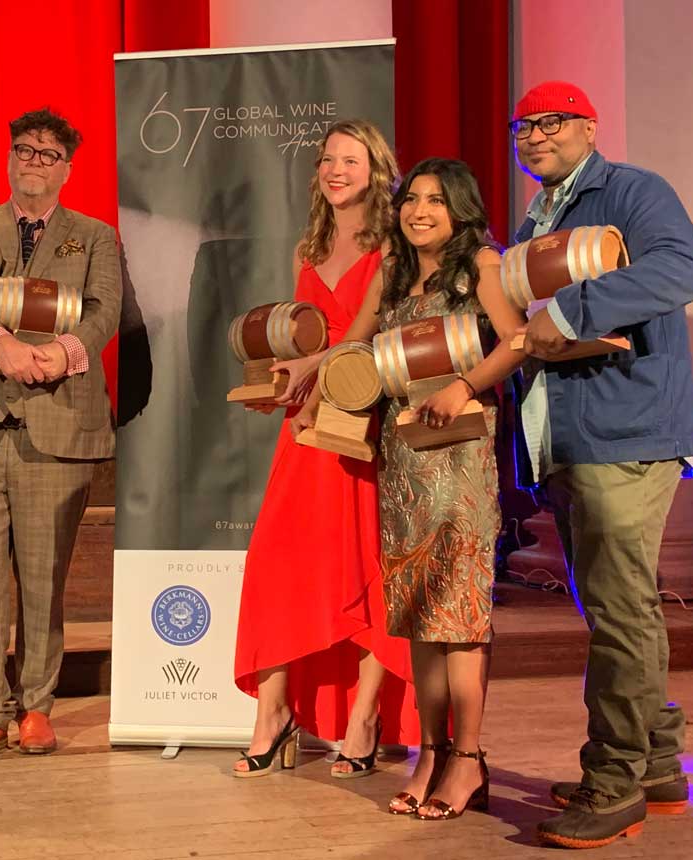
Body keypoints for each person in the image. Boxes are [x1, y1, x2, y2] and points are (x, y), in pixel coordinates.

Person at [507, 81, 693, 850]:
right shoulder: (541, 214)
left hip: (630, 432)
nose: (534, 136)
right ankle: (657, 765)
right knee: (615, 607)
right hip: (574, 436)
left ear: (590, 127)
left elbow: (684, 270)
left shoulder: (632, 190)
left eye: (552, 123)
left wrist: (571, 311)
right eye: (524, 126)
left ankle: (614, 782)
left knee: (621, 614)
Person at [297, 157, 525, 818]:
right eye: (410, 200)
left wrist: (465, 384)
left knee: (460, 621)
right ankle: (429, 750)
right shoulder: (394, 272)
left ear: (459, 209)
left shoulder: (481, 263)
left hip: (460, 460)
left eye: (434, 201)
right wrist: (311, 385)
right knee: (421, 616)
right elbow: (351, 345)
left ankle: (468, 758)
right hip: (403, 461)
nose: (418, 211)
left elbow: (518, 341)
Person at [231, 120, 417, 780]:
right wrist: (276, 378)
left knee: (365, 567)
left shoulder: (392, 245)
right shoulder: (306, 246)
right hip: (303, 425)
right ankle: (274, 713)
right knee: (279, 562)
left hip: (362, 420)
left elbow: (361, 333)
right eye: (328, 160)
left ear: (376, 170)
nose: (337, 170)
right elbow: (300, 337)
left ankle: (364, 717)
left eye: (351, 160)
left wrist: (308, 367)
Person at [0, 108, 119, 763]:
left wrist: (61, 352)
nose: (33, 161)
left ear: (67, 167)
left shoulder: (94, 236)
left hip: (58, 425)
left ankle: (36, 708)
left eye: (47, 154)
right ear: (10, 158)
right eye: (24, 150)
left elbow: (105, 309)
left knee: (44, 579)